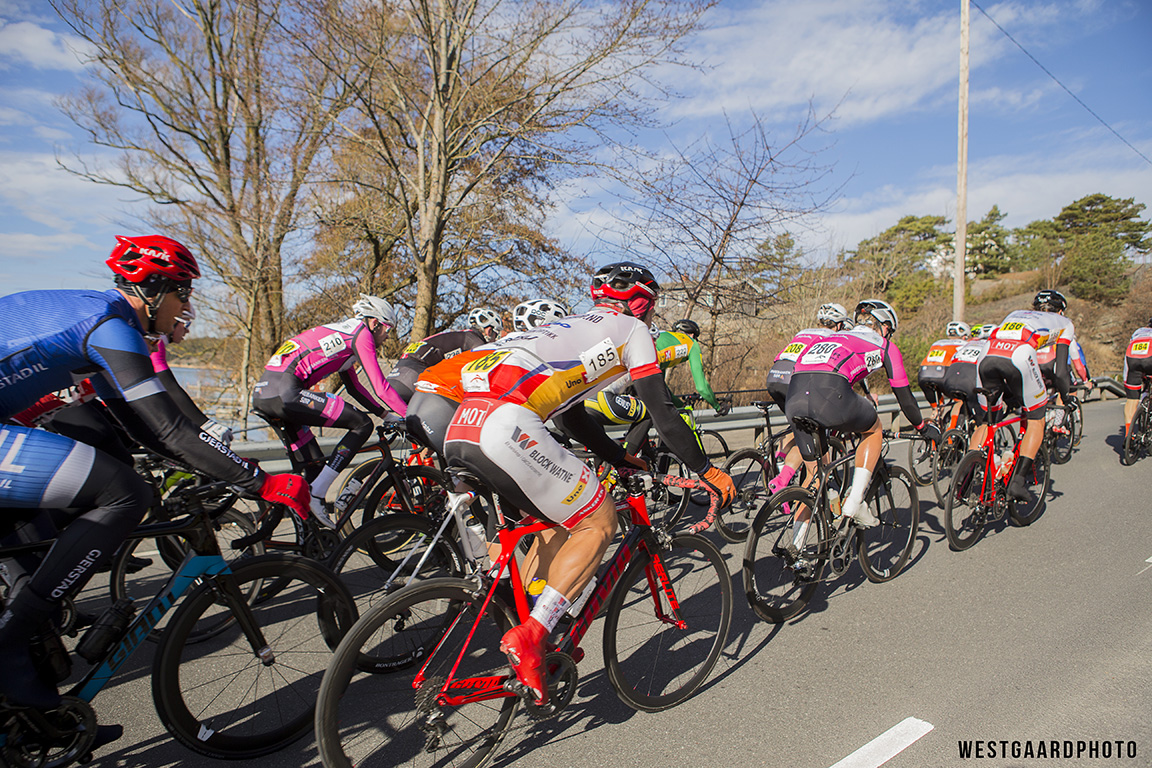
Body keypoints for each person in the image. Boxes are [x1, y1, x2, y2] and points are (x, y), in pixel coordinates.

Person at [0, 235, 309, 710]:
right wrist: (259, 480)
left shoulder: (101, 322)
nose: (186, 307)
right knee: (124, 491)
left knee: (36, 569)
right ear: (154, 289)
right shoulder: (109, 326)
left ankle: (36, 716)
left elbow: (145, 428)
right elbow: (170, 429)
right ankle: (8, 649)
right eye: (183, 294)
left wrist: (220, 467)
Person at [442, 262, 735, 705]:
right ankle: (534, 634)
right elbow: (662, 412)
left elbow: (572, 416)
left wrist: (617, 456)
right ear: (643, 303)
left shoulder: (567, 327)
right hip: (506, 426)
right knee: (599, 521)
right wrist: (706, 470)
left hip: (462, 427)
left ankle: (531, 626)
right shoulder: (633, 330)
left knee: (556, 523)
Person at [252, 294, 407, 528]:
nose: (387, 337)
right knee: (362, 424)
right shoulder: (361, 335)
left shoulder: (346, 337)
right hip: (286, 393)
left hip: (266, 394)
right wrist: (411, 416)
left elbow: (354, 388)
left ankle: (310, 535)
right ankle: (317, 494)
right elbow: (381, 387)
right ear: (375, 323)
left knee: (313, 468)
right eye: (388, 329)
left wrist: (385, 414)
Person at [788, 299, 939, 527]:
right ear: (885, 326)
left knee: (814, 479)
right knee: (874, 429)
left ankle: (797, 545)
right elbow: (905, 398)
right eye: (890, 331)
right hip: (829, 394)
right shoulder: (884, 345)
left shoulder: (832, 337)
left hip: (794, 396)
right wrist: (922, 427)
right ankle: (855, 503)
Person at [974, 289, 1078, 500]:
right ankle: (1018, 482)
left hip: (987, 353)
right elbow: (1060, 372)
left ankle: (967, 474)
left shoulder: (1016, 313)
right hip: (1020, 355)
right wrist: (1066, 397)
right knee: (1036, 419)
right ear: (1061, 310)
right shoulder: (1065, 324)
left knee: (988, 420)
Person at [762, 302, 853, 495]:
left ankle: (779, 458)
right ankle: (785, 477)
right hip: (795, 379)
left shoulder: (804, 332)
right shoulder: (833, 338)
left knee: (797, 426)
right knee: (810, 434)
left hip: (774, 377)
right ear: (839, 325)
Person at [940, 323, 993, 425]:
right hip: (969, 378)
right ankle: (978, 430)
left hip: (950, 377)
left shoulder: (968, 343)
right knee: (982, 419)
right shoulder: (989, 346)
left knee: (959, 402)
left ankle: (953, 429)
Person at [917, 321, 970, 419]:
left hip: (923, 374)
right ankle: (953, 426)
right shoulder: (964, 344)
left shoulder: (937, 343)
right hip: (944, 374)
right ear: (965, 336)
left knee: (937, 408)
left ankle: (933, 422)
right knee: (959, 401)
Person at [1122, 319, 1152, 439]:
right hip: (1150, 360)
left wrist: (1126, 380)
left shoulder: (1138, 332)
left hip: (1132, 361)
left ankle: (1128, 435)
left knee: (1131, 400)